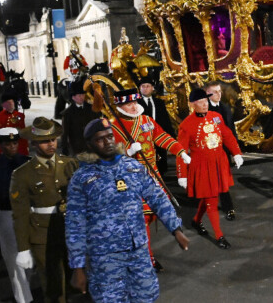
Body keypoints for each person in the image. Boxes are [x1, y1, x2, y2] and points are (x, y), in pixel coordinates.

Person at [66, 118, 190, 302]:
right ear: (89, 144)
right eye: (100, 139)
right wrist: (78, 267)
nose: (108, 142)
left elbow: (157, 197)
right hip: (105, 256)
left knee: (147, 295)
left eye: (110, 137)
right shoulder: (82, 178)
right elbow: (75, 223)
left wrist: (176, 229)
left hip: (137, 250)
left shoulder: (132, 167)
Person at [111, 87, 190, 270]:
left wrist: (180, 151)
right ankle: (148, 258)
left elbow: (161, 137)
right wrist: (126, 153)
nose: (133, 106)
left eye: (134, 102)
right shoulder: (113, 127)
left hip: (152, 177)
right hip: (131, 182)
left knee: (157, 214)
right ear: (120, 105)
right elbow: (107, 158)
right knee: (141, 221)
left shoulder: (146, 120)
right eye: (128, 104)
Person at [10, 117, 78, 303]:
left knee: (76, 280)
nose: (50, 144)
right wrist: (23, 249)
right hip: (43, 235)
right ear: (33, 143)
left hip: (70, 230)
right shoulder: (22, 174)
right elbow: (21, 214)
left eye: (53, 140)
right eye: (44, 141)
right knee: (53, 286)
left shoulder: (70, 164)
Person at [178, 88, 243, 249]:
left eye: (206, 101)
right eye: (201, 102)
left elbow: (227, 135)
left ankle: (196, 221)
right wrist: (182, 175)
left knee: (208, 196)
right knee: (211, 200)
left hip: (218, 163)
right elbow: (180, 151)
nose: (205, 104)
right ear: (193, 104)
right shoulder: (186, 125)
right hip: (201, 166)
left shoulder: (216, 117)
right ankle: (219, 235)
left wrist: (236, 153)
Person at [0, 128, 32, 302]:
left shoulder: (28, 162)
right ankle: (23, 299)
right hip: (7, 214)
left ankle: (33, 293)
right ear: (0, 145)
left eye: (14, 143)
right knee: (14, 261)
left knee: (33, 259)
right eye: (7, 144)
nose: (12, 147)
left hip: (29, 214)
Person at [204, 80, 238, 221]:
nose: (219, 94)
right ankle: (220, 206)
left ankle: (227, 206)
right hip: (209, 151)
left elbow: (231, 130)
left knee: (222, 180)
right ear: (208, 93)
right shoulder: (203, 110)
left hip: (223, 151)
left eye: (220, 91)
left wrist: (235, 152)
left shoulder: (225, 108)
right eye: (215, 91)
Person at [137, 75, 175, 176]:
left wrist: (171, 136)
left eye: (148, 86)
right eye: (143, 86)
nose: (145, 88)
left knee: (161, 166)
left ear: (152, 88)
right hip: (144, 138)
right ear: (140, 88)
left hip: (158, 137)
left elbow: (165, 120)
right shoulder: (136, 104)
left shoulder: (159, 103)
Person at [60, 81, 99, 156]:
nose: (82, 97)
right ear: (73, 97)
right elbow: (64, 133)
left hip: (92, 147)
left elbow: (97, 126)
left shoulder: (91, 109)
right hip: (77, 148)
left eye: (83, 94)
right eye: (79, 95)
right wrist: (64, 148)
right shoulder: (68, 113)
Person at [0, 92, 29, 158]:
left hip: (19, 148)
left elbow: (23, 133)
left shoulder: (20, 115)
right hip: (4, 148)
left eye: (12, 102)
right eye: (9, 103)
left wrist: (25, 148)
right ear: (3, 105)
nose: (12, 105)